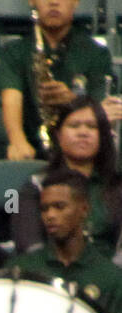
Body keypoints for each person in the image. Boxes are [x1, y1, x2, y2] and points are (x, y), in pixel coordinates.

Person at [0, 0, 120, 163]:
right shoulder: (14, 51)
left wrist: (72, 101)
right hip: (31, 153)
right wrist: (17, 141)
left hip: (84, 156)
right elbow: (11, 98)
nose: (54, 2)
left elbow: (103, 113)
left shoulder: (96, 53)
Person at [10, 168, 122, 313]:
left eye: (59, 207)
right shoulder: (21, 269)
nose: (50, 215)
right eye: (44, 209)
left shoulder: (112, 277)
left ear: (84, 209)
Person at [10, 100, 122, 257]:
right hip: (49, 273)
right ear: (58, 135)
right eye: (74, 126)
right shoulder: (34, 184)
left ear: (103, 137)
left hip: (108, 275)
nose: (83, 133)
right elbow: (27, 241)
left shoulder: (117, 185)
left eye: (92, 126)